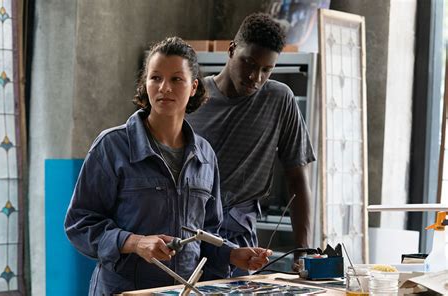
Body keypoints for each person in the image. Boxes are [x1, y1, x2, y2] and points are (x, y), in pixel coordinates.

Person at [64, 37, 271, 295]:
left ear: (194, 86)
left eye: (176, 79)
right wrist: (135, 242)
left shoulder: (205, 156)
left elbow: (206, 234)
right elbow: (80, 223)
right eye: (155, 78)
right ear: (145, 83)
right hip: (124, 291)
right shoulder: (112, 146)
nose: (164, 88)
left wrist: (233, 254)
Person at [187, 13, 316, 275]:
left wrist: (303, 251)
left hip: (240, 238)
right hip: (191, 230)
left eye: (266, 70)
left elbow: (298, 180)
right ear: (232, 49)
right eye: (249, 63)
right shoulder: (195, 97)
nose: (256, 77)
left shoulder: (280, 100)